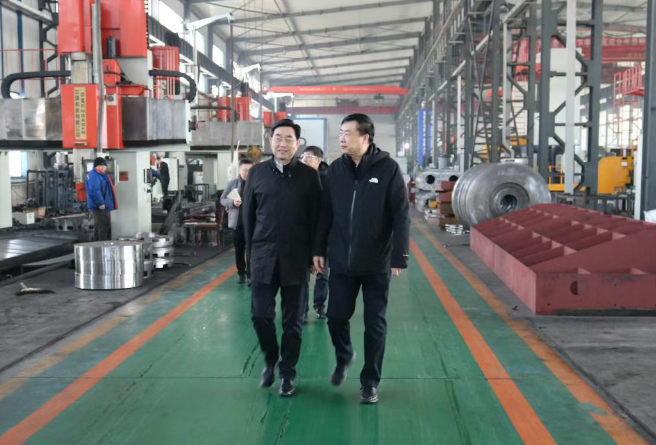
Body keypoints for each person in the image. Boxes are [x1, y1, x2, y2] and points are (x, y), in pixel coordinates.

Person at [313, 114, 410, 404]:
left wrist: (399, 256)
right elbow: (325, 213)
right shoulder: (335, 171)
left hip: (376, 262)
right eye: (341, 133)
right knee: (335, 317)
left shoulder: (388, 169)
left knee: (374, 324)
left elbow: (400, 215)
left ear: (365, 137)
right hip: (341, 260)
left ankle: (369, 383)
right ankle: (344, 355)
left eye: (348, 133)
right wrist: (319, 250)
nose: (342, 139)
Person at [243, 119, 322, 397]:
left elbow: (317, 219)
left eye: (289, 139)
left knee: (293, 323)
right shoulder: (257, 173)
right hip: (262, 257)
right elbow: (248, 217)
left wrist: (316, 253)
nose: (282, 143)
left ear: (297, 144)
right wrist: (249, 255)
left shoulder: (309, 176)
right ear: (270, 141)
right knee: (260, 315)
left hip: (296, 259)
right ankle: (270, 359)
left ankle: (287, 372)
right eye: (278, 137)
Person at [300, 146, 329, 321]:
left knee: (322, 274)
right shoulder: (297, 178)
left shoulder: (328, 179)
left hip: (323, 235)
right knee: (302, 276)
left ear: (318, 160)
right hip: (303, 235)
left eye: (308, 157)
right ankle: (302, 310)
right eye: (303, 156)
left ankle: (319, 306)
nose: (304, 159)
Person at [220, 158, 254, 284]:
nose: (247, 173)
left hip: (252, 224)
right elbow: (222, 199)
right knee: (239, 250)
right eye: (244, 170)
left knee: (251, 251)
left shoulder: (256, 183)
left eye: (250, 170)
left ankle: (251, 275)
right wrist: (233, 203)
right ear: (239, 170)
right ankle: (241, 273)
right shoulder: (233, 183)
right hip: (238, 224)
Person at [86, 157, 118, 241]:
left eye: (104, 165)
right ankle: (102, 245)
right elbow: (95, 190)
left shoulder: (101, 175)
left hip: (103, 204)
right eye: (101, 165)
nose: (103, 167)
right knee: (103, 226)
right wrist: (100, 203)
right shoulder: (94, 175)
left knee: (99, 226)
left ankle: (97, 244)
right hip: (99, 206)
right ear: (96, 166)